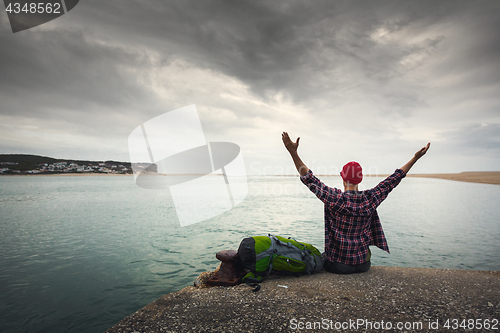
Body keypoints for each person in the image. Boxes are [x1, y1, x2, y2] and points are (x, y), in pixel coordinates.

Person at [282, 132, 430, 274]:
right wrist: (415, 158)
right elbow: (395, 179)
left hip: (338, 265)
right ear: (360, 179)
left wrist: (293, 153)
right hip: (362, 265)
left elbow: (309, 178)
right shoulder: (370, 198)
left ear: (342, 177)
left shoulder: (335, 198)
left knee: (321, 255)